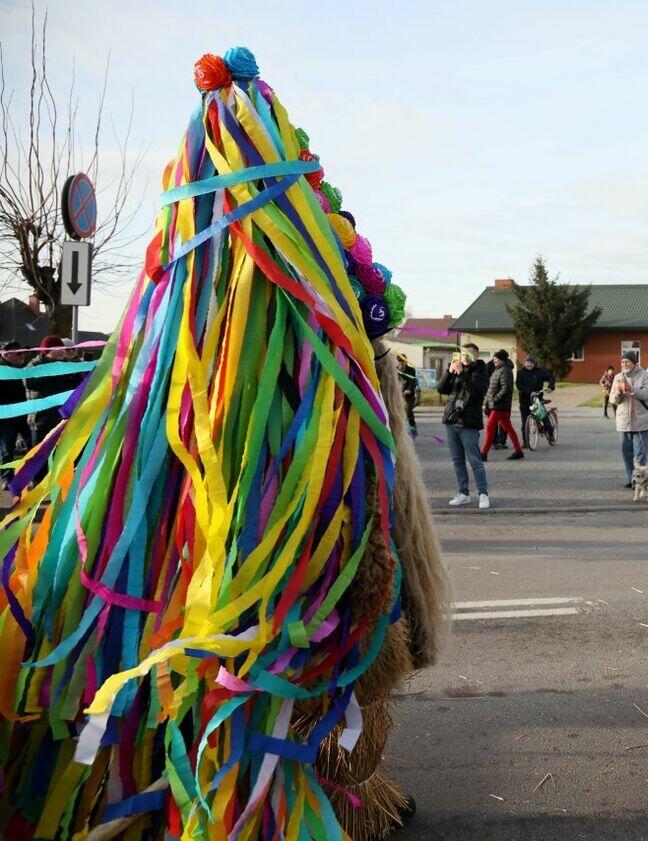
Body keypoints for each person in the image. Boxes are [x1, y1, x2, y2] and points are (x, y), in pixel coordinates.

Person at [0, 50, 449, 841]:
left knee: (277, 683)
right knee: (254, 682)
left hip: (285, 567)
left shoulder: (260, 340)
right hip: (256, 574)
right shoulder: (219, 344)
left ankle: (302, 792)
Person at [438, 345, 491, 507]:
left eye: (470, 354)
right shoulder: (455, 369)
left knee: (475, 461)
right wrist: (449, 373)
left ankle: (483, 494)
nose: (466, 357)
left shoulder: (481, 371)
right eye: (463, 354)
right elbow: (441, 389)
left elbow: (476, 392)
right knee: (458, 461)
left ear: (476, 356)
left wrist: (462, 373)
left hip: (469, 423)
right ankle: (463, 493)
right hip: (452, 421)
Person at [24, 335, 88, 450]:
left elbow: (74, 387)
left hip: (62, 420)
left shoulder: (66, 365)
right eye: (58, 349)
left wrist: (81, 373)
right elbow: (29, 383)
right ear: (47, 350)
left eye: (63, 349)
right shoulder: (34, 365)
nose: (62, 351)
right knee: (39, 456)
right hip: (41, 421)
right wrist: (55, 372)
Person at [609, 353, 648, 488]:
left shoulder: (645, 375)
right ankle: (631, 478)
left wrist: (631, 389)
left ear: (634, 363)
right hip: (624, 422)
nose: (624, 364)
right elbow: (612, 399)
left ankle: (640, 481)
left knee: (640, 454)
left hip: (641, 422)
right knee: (626, 453)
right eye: (623, 362)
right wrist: (618, 393)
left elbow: (647, 395)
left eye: (627, 362)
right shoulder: (618, 377)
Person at [481, 349, 524, 460]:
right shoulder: (498, 369)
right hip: (498, 405)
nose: (494, 360)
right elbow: (491, 388)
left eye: (496, 359)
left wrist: (494, 399)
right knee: (509, 428)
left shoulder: (505, 370)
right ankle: (518, 451)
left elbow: (506, 388)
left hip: (500, 406)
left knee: (490, 427)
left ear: (501, 359)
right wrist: (486, 402)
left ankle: (483, 453)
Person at [0, 341, 32, 482]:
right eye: (18, 353)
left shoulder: (25, 369)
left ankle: (33, 476)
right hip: (7, 417)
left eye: (23, 353)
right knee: (7, 449)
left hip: (25, 414)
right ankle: (7, 478)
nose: (22, 356)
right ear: (6, 355)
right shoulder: (2, 370)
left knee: (33, 446)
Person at [515, 353, 556, 443]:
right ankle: (526, 442)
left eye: (531, 362)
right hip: (525, 400)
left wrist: (550, 387)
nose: (529, 364)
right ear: (524, 363)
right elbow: (519, 385)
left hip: (537, 399)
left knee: (543, 417)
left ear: (534, 363)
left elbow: (551, 377)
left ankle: (551, 433)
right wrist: (530, 392)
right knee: (524, 422)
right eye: (527, 362)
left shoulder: (539, 371)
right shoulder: (520, 373)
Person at [398, 353, 419, 436]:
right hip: (398, 395)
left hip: (409, 396)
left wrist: (409, 390)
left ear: (405, 362)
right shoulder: (395, 370)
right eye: (400, 362)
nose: (401, 364)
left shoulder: (411, 370)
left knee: (408, 412)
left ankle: (413, 429)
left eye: (403, 362)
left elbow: (412, 381)